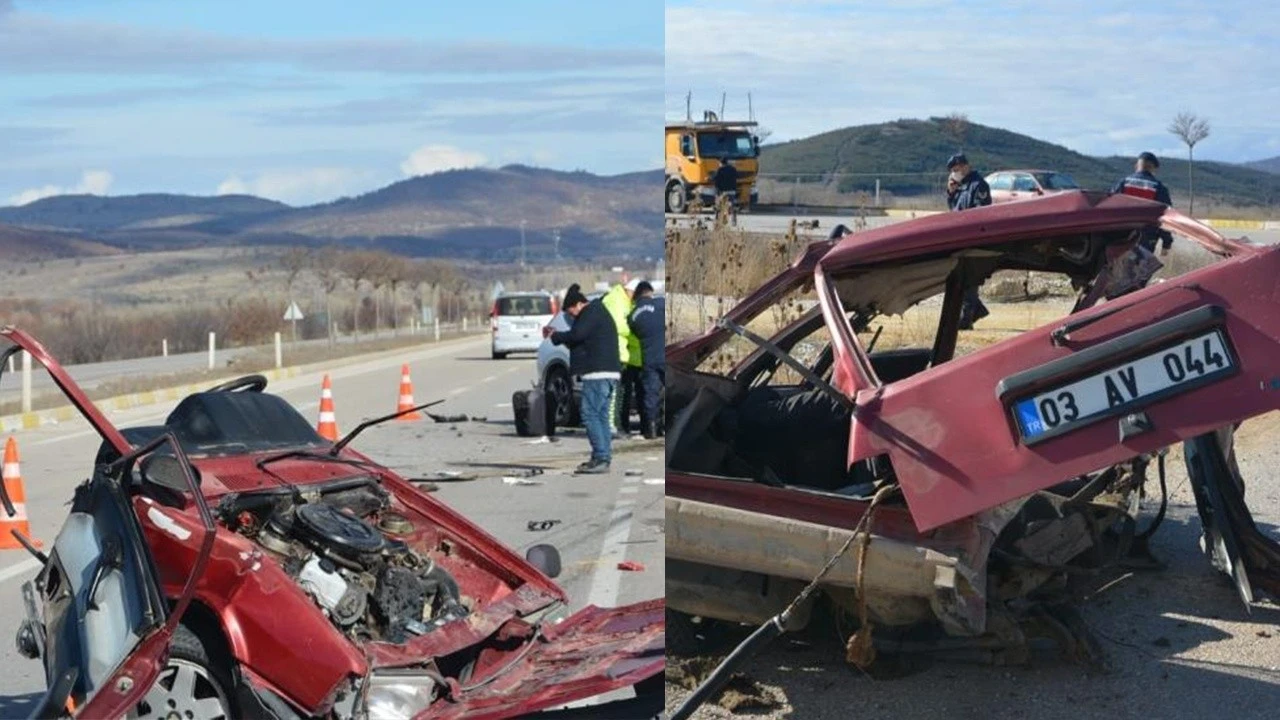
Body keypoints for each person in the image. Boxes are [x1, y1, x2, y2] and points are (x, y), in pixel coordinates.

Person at [547, 284, 619, 474]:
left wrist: (557, 336)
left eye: (571, 311)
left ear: (579, 304)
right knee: (600, 415)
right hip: (608, 372)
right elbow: (580, 339)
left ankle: (601, 457)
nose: (571, 316)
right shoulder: (597, 312)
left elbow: (577, 335)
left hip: (598, 373)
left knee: (589, 415)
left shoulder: (590, 313)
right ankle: (602, 456)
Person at [945, 153, 991, 330]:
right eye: (953, 171)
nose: (954, 174)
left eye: (956, 170)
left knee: (968, 277)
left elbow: (980, 213)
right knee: (960, 277)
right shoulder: (961, 186)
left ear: (965, 166)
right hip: (958, 236)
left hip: (972, 237)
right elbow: (954, 209)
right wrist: (951, 192)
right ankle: (975, 310)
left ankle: (967, 316)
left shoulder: (978, 185)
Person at [1110, 151, 1174, 256]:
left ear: (1136, 166)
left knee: (1118, 269)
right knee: (1139, 270)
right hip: (1146, 239)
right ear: (1153, 168)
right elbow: (1165, 216)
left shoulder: (1123, 183)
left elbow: (1109, 208)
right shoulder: (1158, 188)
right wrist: (1167, 242)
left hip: (1121, 237)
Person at [601, 279, 640, 436]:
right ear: (629, 291)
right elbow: (619, 326)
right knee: (614, 392)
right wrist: (636, 331)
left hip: (622, 353)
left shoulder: (623, 301)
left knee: (619, 392)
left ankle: (615, 424)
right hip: (614, 353)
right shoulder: (615, 301)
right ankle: (610, 425)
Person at [627, 281, 665, 439]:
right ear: (649, 292)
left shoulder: (632, 316)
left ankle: (651, 430)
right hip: (665, 354)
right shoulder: (661, 304)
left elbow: (636, 333)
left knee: (651, 394)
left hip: (648, 359)